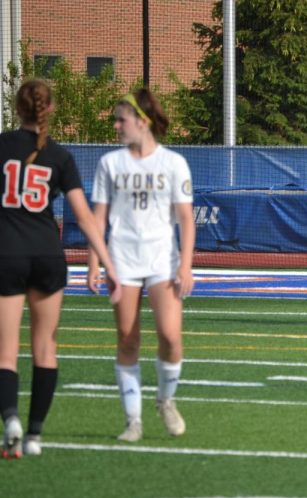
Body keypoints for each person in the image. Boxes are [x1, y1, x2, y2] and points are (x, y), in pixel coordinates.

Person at [1, 79, 122, 459]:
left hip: (7, 253)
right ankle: (35, 434)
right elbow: (85, 218)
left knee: (6, 353)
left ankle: (10, 419)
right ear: (50, 110)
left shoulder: (1, 147)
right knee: (46, 349)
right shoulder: (60, 156)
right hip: (48, 256)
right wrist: (107, 263)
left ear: (17, 108)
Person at [87, 88, 195, 443]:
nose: (117, 125)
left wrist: (187, 265)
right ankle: (133, 420)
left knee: (170, 336)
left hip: (163, 260)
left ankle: (165, 399)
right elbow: (97, 219)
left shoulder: (173, 163)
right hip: (123, 262)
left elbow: (185, 218)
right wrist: (94, 264)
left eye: (122, 119)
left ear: (142, 121)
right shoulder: (110, 164)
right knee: (127, 339)